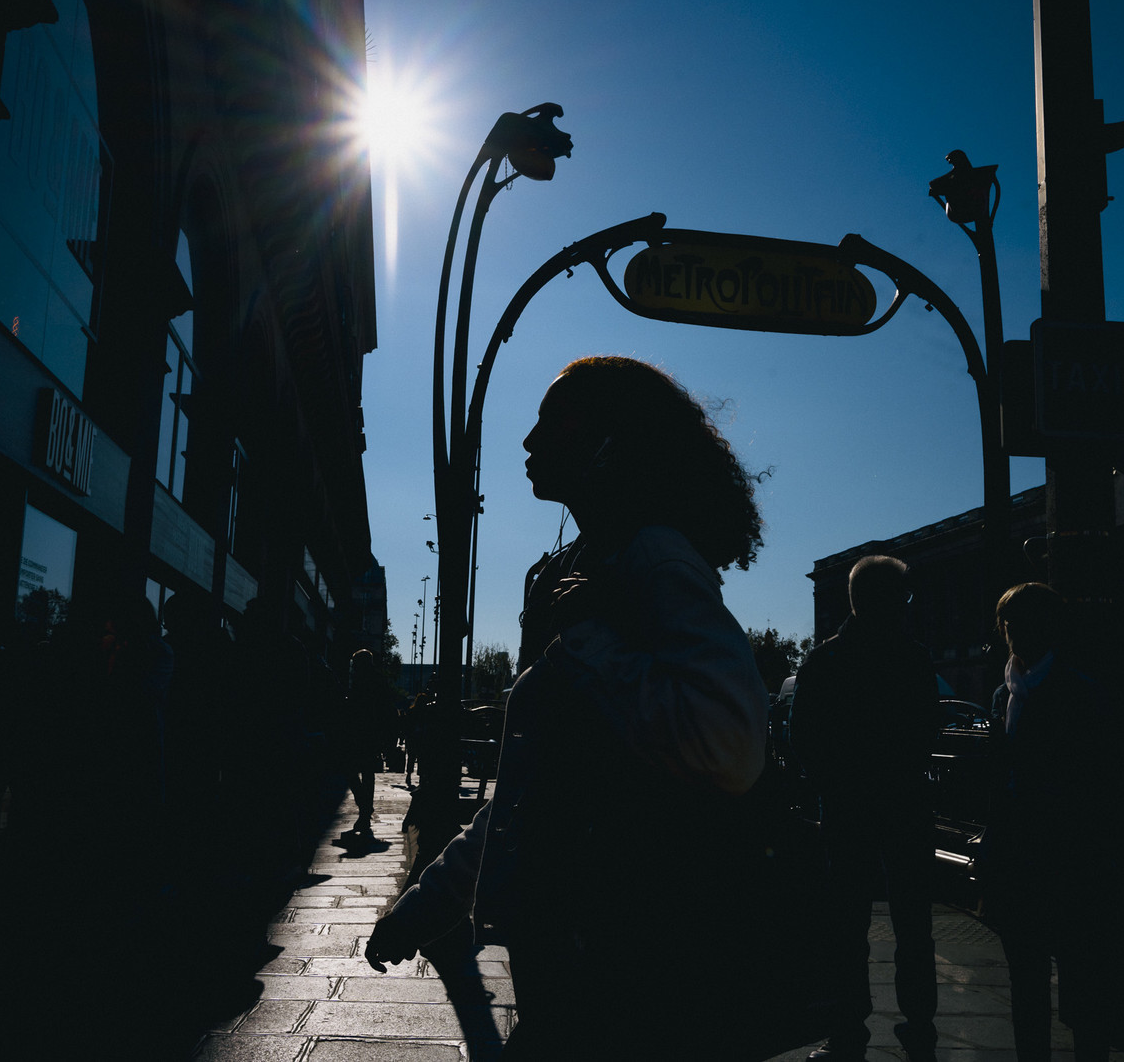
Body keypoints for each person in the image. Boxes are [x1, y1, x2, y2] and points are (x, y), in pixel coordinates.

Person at [364, 356, 771, 1060]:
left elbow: (730, 741)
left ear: (606, 441)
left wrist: (584, 637)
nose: (527, 440)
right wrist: (425, 906)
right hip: (569, 950)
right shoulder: (577, 567)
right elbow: (534, 787)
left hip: (630, 961)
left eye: (553, 421)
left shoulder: (652, 558)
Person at [790, 555, 942, 1062]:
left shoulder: (824, 662)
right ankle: (919, 1030)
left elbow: (803, 742)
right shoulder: (913, 658)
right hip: (905, 806)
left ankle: (848, 1032)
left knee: (846, 928)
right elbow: (929, 732)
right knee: (914, 928)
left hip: (847, 808)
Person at [984, 583, 1124, 1062]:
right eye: (1007, 621)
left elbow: (1102, 786)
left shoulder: (1082, 693)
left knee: (1082, 992)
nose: (1011, 632)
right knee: (1026, 986)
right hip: (1020, 863)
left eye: (1019, 622)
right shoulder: (1001, 694)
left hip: (1072, 863)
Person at [340, 648, 395, 837]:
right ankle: (365, 808)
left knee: (351, 771)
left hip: (361, 733)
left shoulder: (361, 681)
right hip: (373, 734)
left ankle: (364, 808)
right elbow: (388, 709)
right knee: (367, 773)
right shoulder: (379, 680)